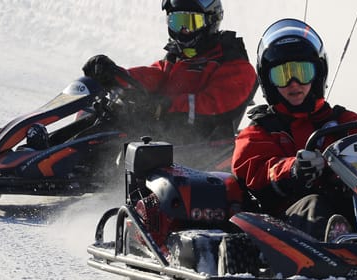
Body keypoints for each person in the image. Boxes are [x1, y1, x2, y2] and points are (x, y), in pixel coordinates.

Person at [232, 18, 357, 241]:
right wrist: (295, 169)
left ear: (317, 74)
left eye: (303, 72)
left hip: (350, 198)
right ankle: (337, 241)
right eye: (283, 75)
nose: (294, 83)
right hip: (291, 214)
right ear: (269, 82)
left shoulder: (341, 120)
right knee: (314, 206)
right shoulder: (260, 130)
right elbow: (254, 171)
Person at [81, 0, 258, 170]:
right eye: (176, 22)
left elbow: (213, 106)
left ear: (211, 20)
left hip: (196, 153)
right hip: (160, 140)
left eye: (190, 22)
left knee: (126, 118)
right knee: (101, 102)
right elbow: (153, 76)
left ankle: (75, 162)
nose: (183, 30)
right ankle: (64, 152)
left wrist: (163, 106)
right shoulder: (178, 58)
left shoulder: (234, 65)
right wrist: (115, 75)